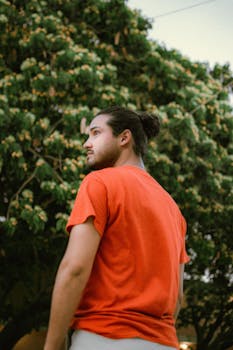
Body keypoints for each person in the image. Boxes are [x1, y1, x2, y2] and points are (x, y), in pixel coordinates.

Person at [44, 106, 189, 350]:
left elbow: (75, 269)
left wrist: (52, 345)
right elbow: (177, 298)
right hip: (164, 342)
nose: (86, 144)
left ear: (124, 138)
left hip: (103, 337)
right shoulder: (174, 210)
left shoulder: (99, 183)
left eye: (96, 133)